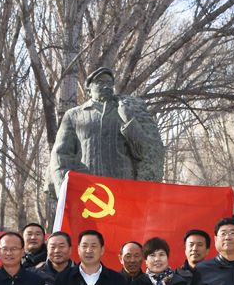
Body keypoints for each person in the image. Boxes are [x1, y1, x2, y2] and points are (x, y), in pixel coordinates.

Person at [48, 66, 164, 195]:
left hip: (122, 191)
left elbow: (143, 151)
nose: (106, 86)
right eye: (100, 82)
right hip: (88, 192)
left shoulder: (125, 111)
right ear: (89, 89)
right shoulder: (74, 115)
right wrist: (64, 190)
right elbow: (60, 155)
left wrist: (128, 120)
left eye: (109, 83)